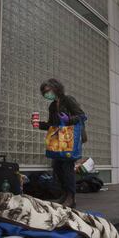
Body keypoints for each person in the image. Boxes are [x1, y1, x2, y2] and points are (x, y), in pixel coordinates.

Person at [31, 78, 86, 208]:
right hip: (59, 140)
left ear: (56, 88)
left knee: (67, 168)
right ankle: (64, 195)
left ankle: (71, 198)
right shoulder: (52, 106)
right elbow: (53, 125)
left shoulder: (68, 100)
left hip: (70, 138)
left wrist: (69, 119)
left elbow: (82, 116)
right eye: (44, 92)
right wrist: (39, 125)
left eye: (47, 91)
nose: (46, 94)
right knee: (57, 168)